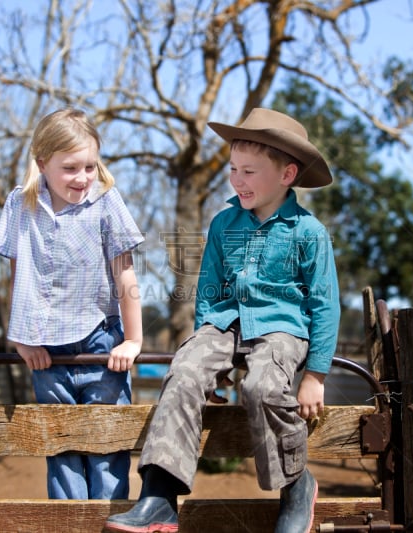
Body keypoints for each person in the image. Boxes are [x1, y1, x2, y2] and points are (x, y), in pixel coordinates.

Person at [105, 108, 340, 533]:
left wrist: (316, 376)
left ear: (287, 174)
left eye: (249, 171)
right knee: (185, 369)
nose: (237, 179)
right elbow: (210, 294)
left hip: (282, 328)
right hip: (226, 322)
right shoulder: (223, 224)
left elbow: (325, 304)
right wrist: (206, 353)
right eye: (233, 169)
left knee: (263, 385)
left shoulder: (308, 232)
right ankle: (159, 495)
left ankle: (296, 485)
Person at [0, 108, 144, 500]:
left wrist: (132, 341)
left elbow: (126, 274)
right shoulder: (19, 204)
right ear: (42, 163)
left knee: (106, 446)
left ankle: (109, 521)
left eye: (90, 166)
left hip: (101, 343)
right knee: (61, 448)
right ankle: (68, 524)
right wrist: (22, 340)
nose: (82, 178)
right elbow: (18, 275)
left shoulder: (105, 202)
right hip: (46, 349)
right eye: (70, 168)